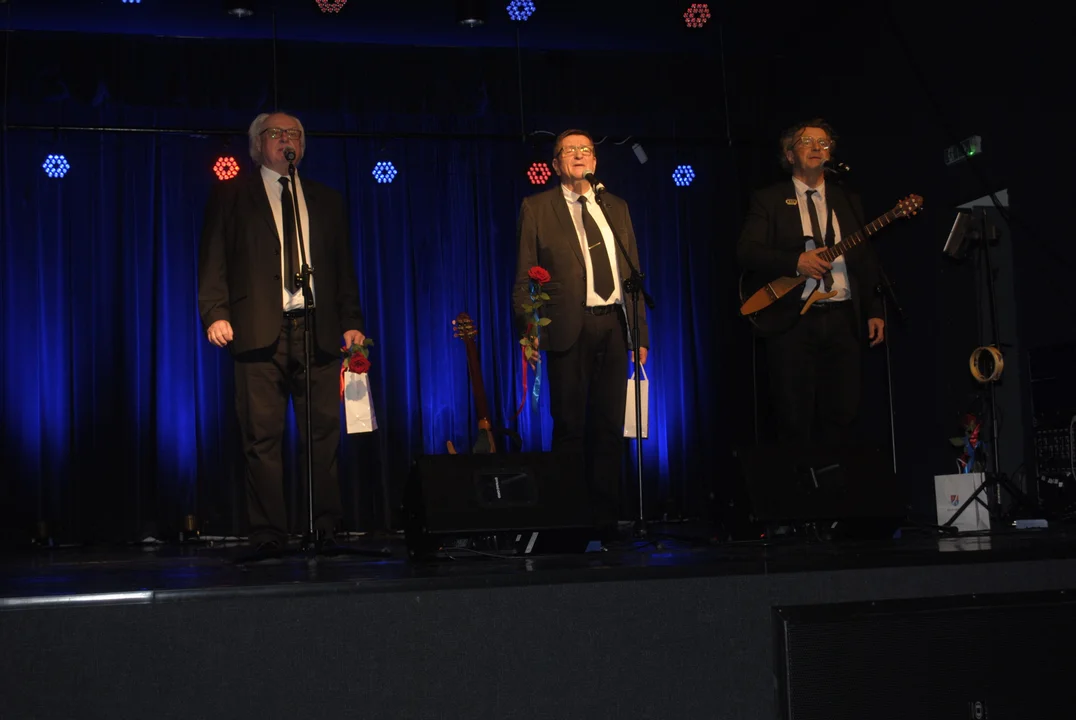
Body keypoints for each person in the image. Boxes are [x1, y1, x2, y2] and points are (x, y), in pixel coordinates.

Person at [198, 111, 365, 557]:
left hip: (318, 330)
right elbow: (213, 258)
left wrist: (352, 320)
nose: (286, 139)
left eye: (294, 134)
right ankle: (268, 532)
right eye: (276, 133)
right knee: (262, 438)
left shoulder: (326, 199)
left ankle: (323, 526)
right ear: (258, 144)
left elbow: (343, 268)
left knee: (323, 435)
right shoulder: (232, 195)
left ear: (302, 146)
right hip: (257, 329)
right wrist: (215, 312)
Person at [512, 129, 650, 536]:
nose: (578, 155)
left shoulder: (615, 206)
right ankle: (569, 519)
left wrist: (639, 333)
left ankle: (605, 521)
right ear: (555, 164)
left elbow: (633, 273)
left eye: (585, 150)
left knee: (608, 427)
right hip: (566, 326)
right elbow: (524, 276)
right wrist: (528, 330)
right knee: (570, 426)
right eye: (568, 150)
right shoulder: (537, 207)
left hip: (614, 324)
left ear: (595, 161)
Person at [737, 118, 884, 448]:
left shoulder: (847, 200)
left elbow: (865, 260)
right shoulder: (769, 199)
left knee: (844, 412)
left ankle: (838, 477)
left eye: (824, 143)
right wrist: (795, 262)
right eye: (807, 142)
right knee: (794, 417)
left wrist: (875, 309)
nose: (817, 147)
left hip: (843, 318)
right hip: (793, 321)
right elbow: (747, 251)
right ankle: (798, 478)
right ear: (790, 155)